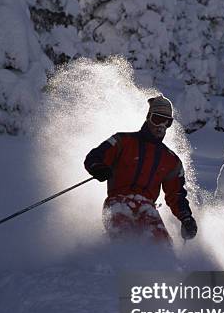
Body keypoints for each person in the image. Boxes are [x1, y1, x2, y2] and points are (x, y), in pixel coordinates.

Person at [84, 95, 198, 243]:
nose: (161, 126)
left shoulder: (171, 160)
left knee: (161, 244)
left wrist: (186, 217)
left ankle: (165, 263)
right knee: (124, 235)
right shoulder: (123, 141)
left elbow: (176, 194)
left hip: (147, 208)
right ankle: (114, 259)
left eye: (167, 122)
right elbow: (94, 157)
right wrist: (98, 167)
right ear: (148, 117)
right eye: (157, 119)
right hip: (118, 201)